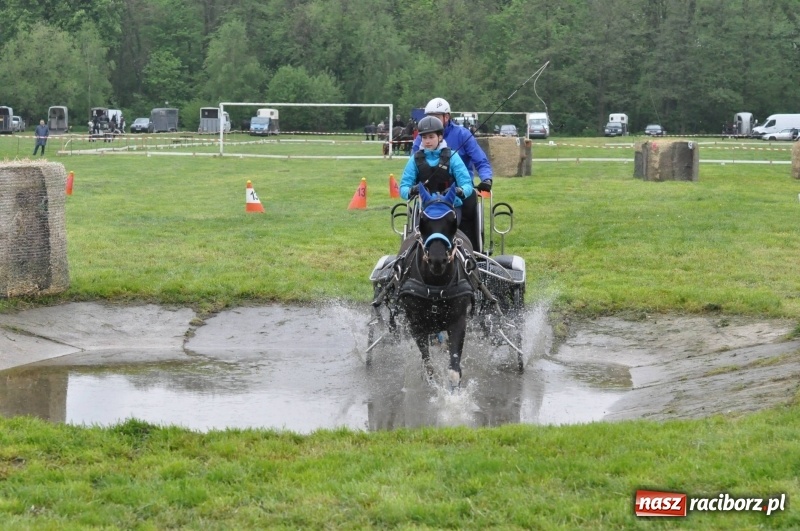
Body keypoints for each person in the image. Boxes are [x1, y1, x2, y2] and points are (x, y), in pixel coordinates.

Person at [411, 97, 493, 251]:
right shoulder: (422, 139)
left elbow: (480, 161)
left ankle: (474, 251)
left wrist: (486, 178)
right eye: (428, 117)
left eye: (435, 117)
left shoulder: (463, 134)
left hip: (461, 189)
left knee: (470, 202)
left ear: (446, 117)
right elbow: (414, 165)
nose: (430, 122)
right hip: (430, 190)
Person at [399, 116, 473, 225]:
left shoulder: (453, 156)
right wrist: (412, 190)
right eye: (424, 137)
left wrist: (458, 191)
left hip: (450, 206)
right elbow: (403, 188)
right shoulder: (415, 159)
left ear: (440, 137)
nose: (427, 141)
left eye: (431, 137)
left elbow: (467, 185)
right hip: (425, 208)